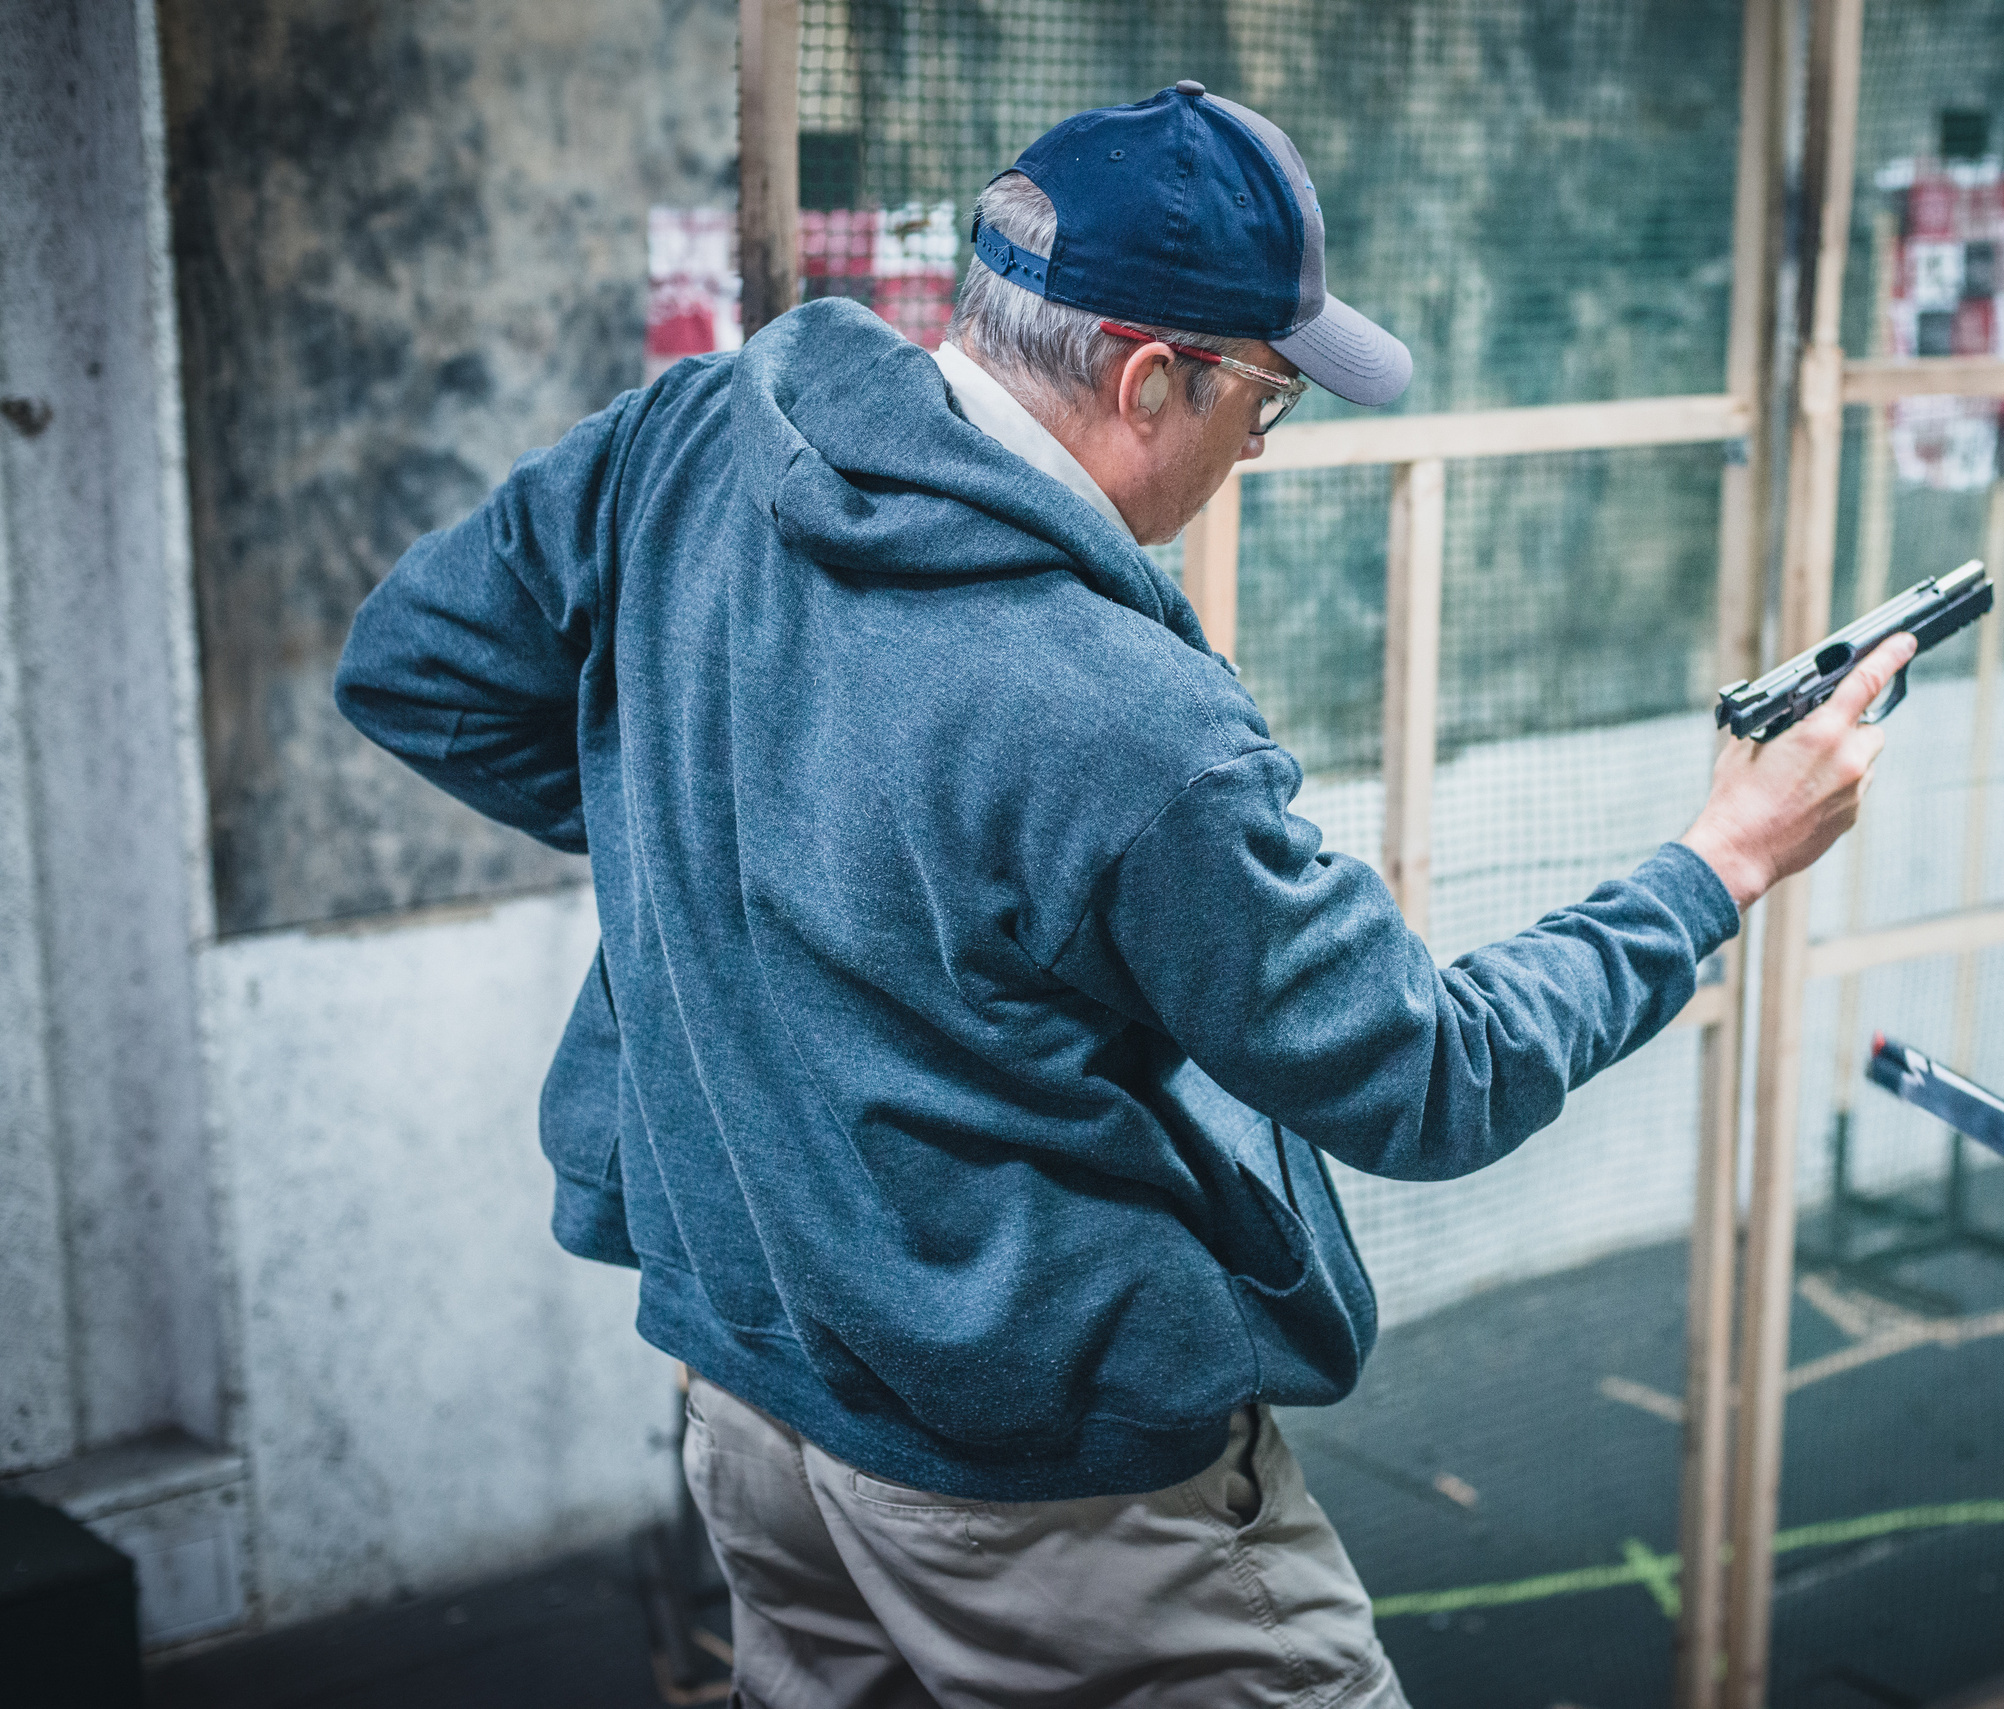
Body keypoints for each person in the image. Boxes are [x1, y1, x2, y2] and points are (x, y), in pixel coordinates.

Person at [336, 81, 1910, 1709]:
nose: (1255, 444)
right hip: (1045, 1486)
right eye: (1266, 399)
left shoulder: (689, 436)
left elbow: (420, 667)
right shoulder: (1130, 723)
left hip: (755, 1410)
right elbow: (1432, 1077)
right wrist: (1725, 858)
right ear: (1154, 378)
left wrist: (734, 852)